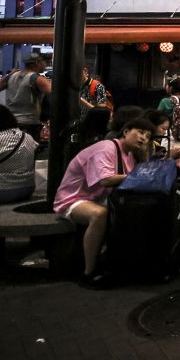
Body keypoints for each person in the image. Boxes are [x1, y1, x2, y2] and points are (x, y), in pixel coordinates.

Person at [53, 116, 155, 288]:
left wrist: (144, 154)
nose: (143, 138)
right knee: (99, 215)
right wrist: (140, 175)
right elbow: (106, 180)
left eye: (147, 136)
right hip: (72, 199)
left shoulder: (128, 154)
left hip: (98, 197)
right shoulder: (106, 148)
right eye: (140, 132)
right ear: (126, 131)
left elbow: (138, 176)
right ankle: (89, 273)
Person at [0, 53, 52, 141]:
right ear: (37, 63)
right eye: (44, 62)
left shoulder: (13, 75)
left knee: (13, 148)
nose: (45, 65)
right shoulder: (37, 78)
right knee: (28, 151)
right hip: (29, 122)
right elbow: (54, 93)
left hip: (11, 121)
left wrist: (9, 75)